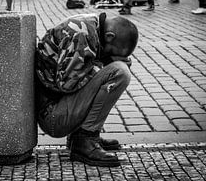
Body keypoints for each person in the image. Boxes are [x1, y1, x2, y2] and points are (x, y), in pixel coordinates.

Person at [35, 12, 138, 167]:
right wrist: (108, 61)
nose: (110, 54)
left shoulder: (93, 26)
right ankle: (85, 139)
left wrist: (104, 60)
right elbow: (67, 84)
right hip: (53, 116)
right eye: (112, 50)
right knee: (120, 72)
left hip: (57, 106)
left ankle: (82, 136)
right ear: (109, 36)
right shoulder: (82, 34)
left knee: (115, 69)